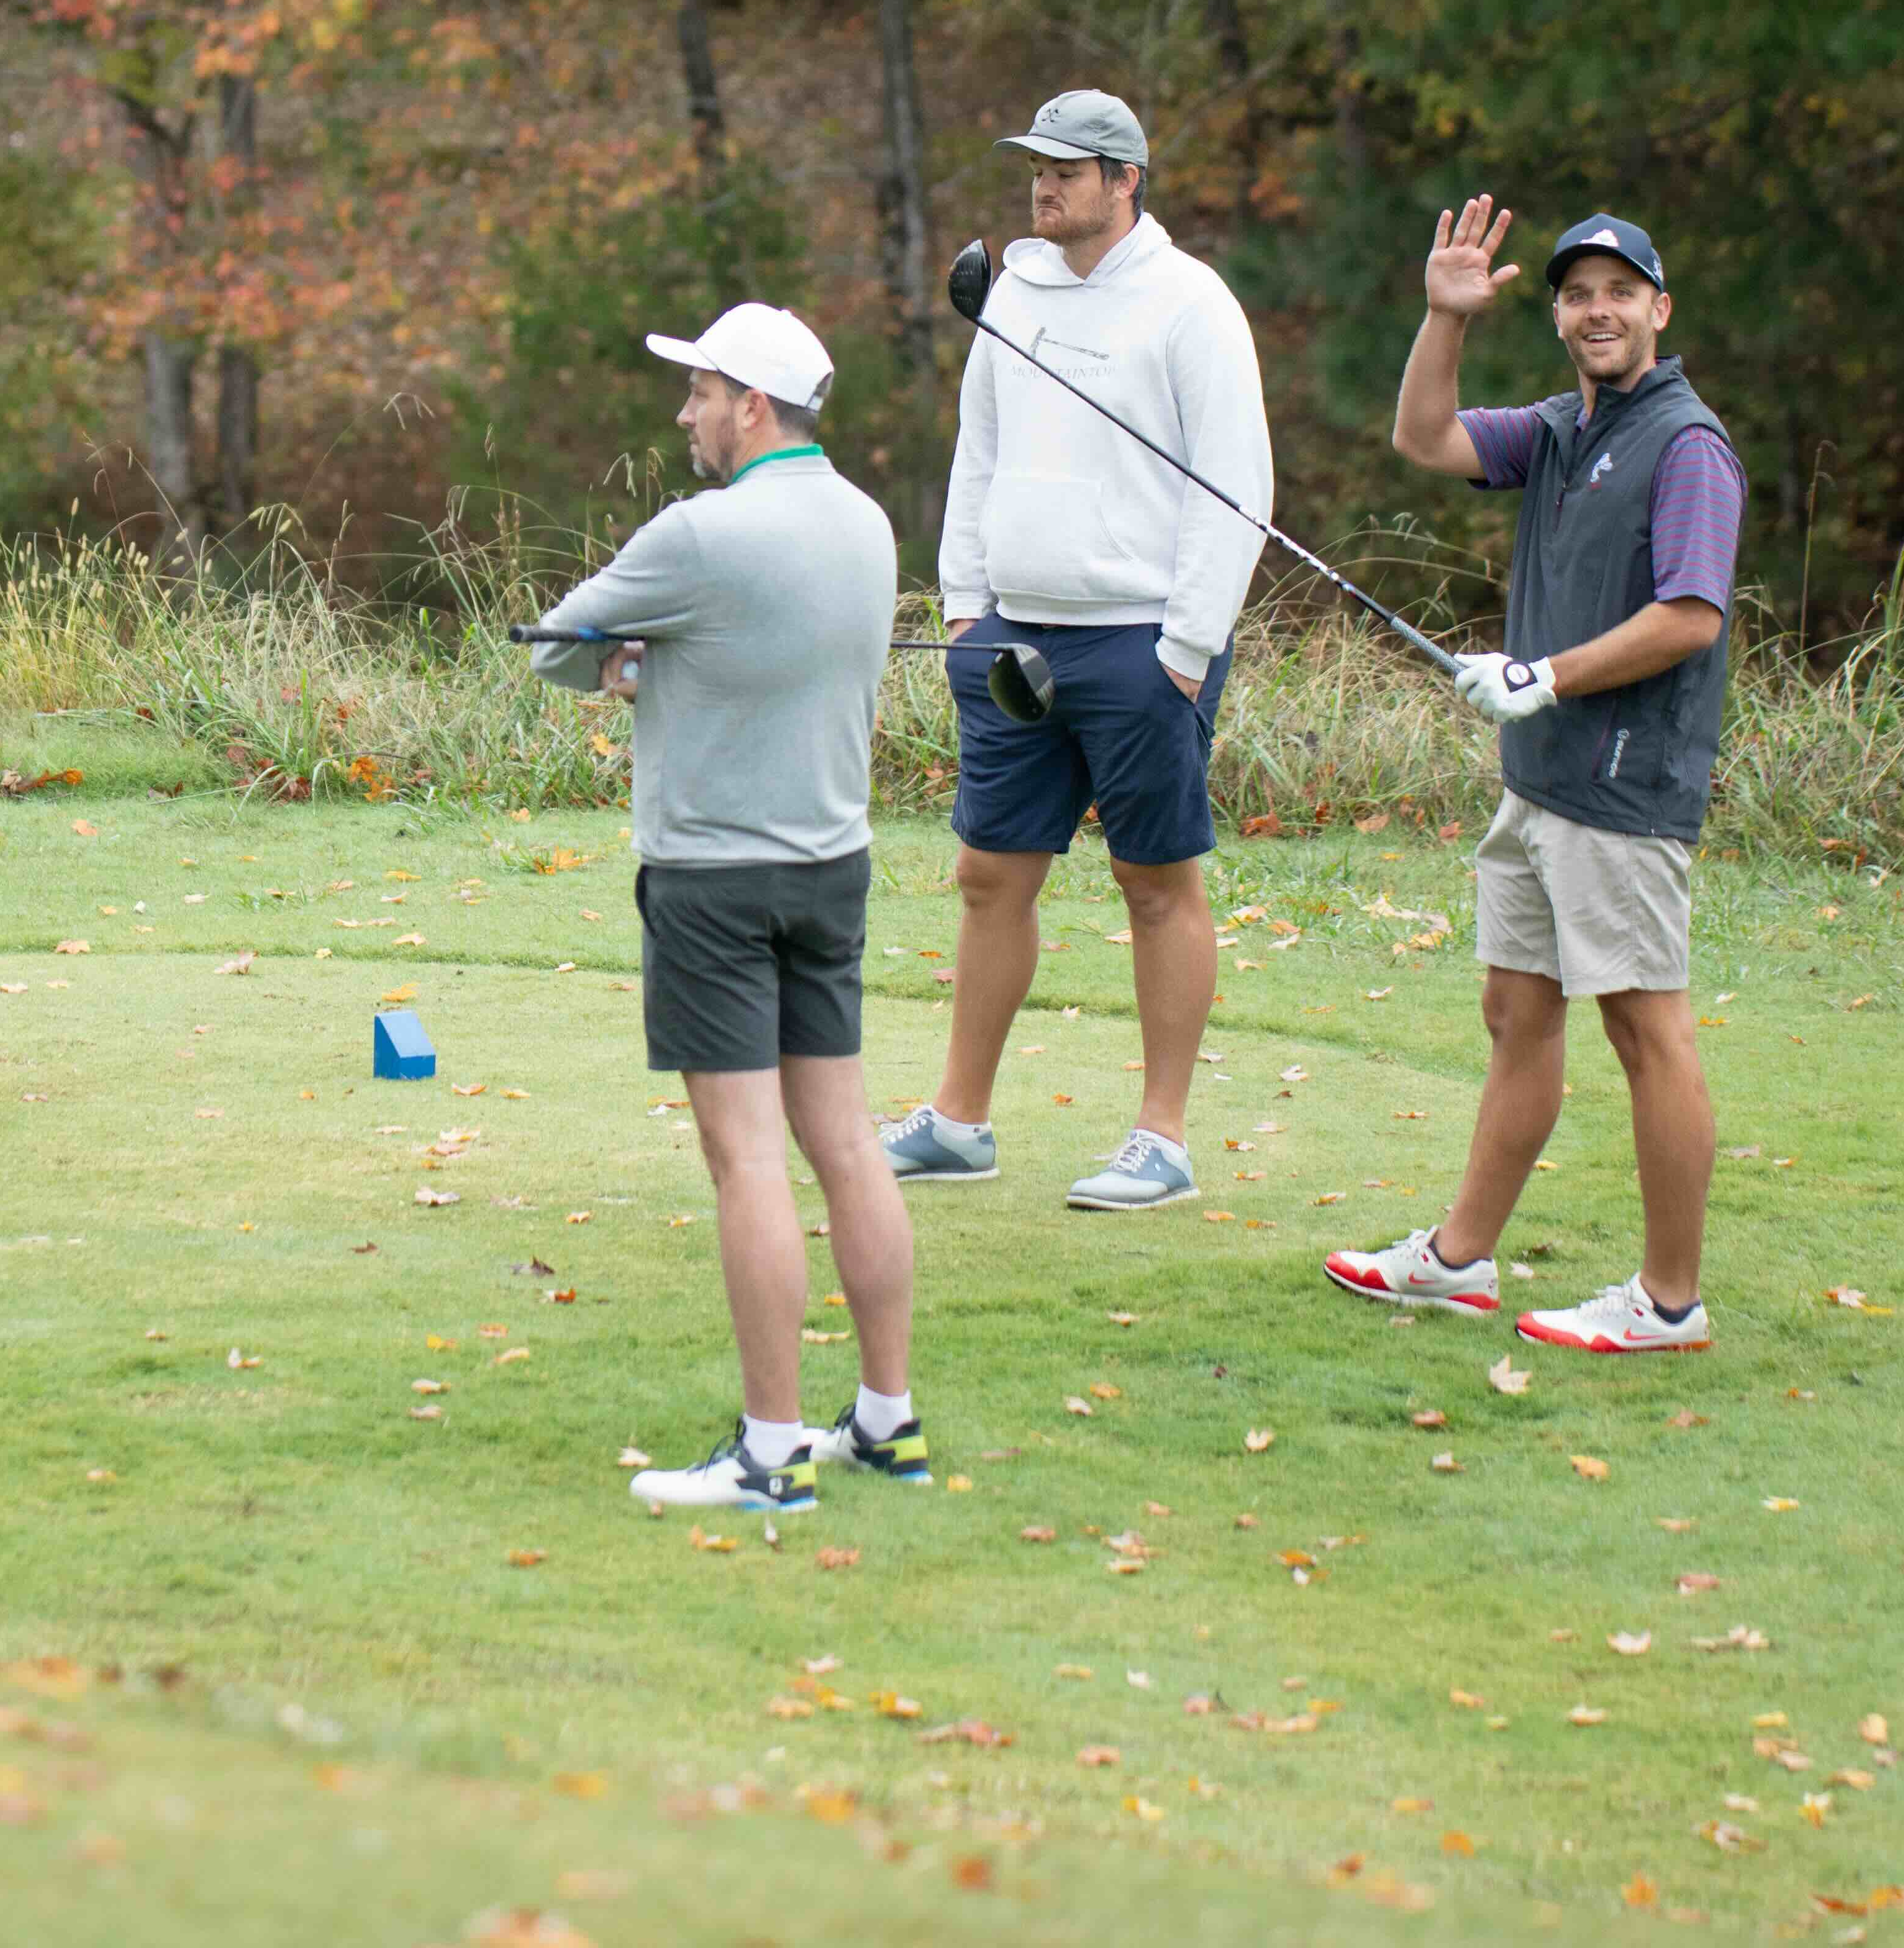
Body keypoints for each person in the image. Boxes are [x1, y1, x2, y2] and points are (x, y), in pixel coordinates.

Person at [1321, 202, 1746, 1353]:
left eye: (1619, 291)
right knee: (1519, 1013)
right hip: (1542, 780)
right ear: (1557, 315)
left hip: (1622, 782)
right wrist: (1443, 317)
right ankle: (1459, 1262)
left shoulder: (1688, 445)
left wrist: (1546, 677)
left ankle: (1669, 1303)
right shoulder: (1564, 429)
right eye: (1575, 294)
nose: (1596, 310)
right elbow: (1427, 438)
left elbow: (1691, 618)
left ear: (1660, 309)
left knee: (1647, 1031)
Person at [527, 303, 924, 1512]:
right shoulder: (867, 522)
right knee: (846, 1140)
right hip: (832, 869)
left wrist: (621, 659)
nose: (686, 412)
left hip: (714, 881)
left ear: (752, 403)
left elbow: (554, 642)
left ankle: (769, 1451)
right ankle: (887, 1419)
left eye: (700, 391)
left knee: (746, 1156)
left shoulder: (697, 535)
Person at [880, 89, 1271, 1213]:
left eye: (1068, 168)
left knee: (1155, 883)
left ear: (1125, 181)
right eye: (1035, 168)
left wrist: (1187, 647)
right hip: (1012, 636)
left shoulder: (1190, 304)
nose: (1045, 185)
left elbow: (1238, 487)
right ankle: (959, 1123)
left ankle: (1163, 1137)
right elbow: (980, 454)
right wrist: (965, 610)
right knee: (988, 874)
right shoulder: (1015, 291)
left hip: (1144, 640)